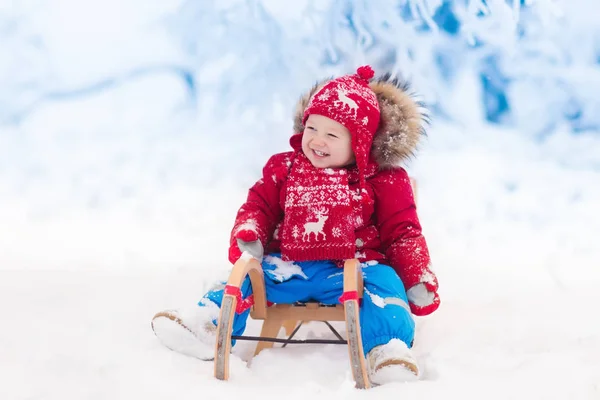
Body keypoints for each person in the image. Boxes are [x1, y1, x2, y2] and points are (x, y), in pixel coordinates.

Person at [151, 65, 440, 385]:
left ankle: (387, 348)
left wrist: (416, 276)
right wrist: (251, 232)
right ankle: (209, 324)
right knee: (247, 275)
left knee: (386, 284)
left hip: (357, 270)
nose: (317, 140)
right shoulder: (284, 168)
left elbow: (403, 231)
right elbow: (258, 205)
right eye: (312, 128)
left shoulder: (383, 180)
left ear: (359, 143)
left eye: (332, 134)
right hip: (289, 268)